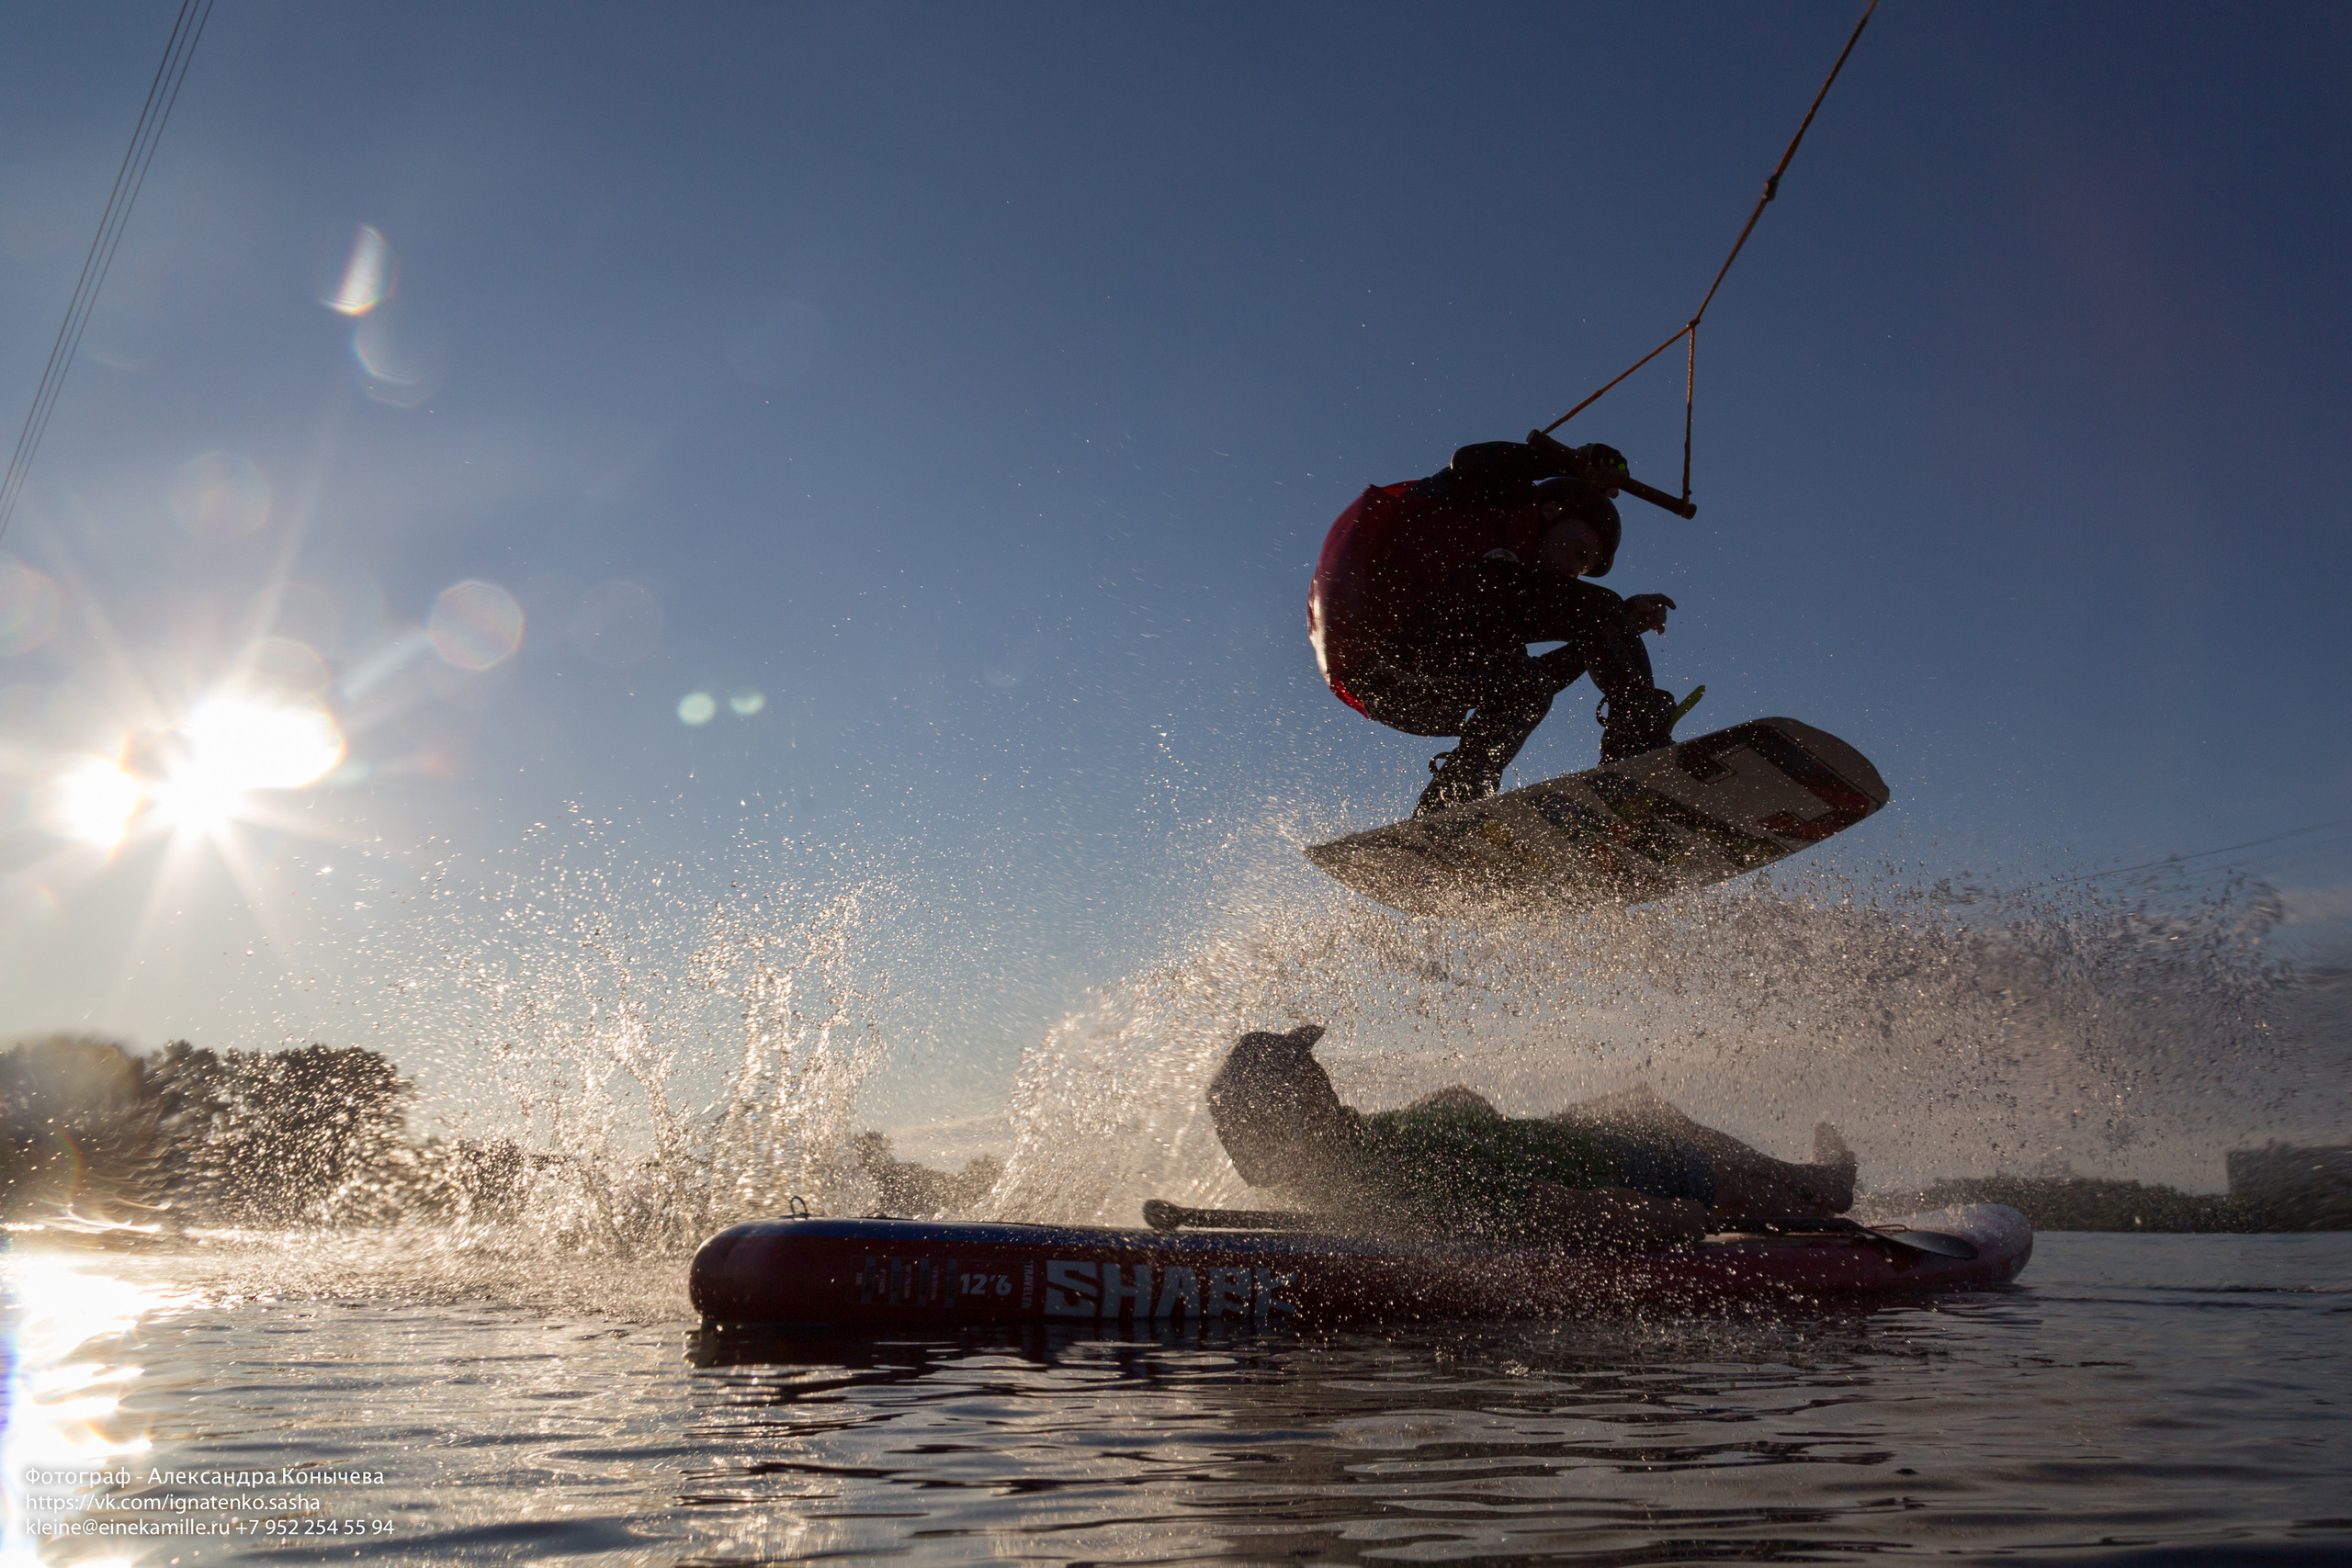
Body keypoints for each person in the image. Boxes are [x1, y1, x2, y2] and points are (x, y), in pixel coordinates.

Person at [1205, 1025, 1858, 1250]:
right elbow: (1547, 1206)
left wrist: (1452, 1105)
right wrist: (1677, 1220)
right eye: (1310, 1070)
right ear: (1301, 1100)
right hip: (1617, 1169)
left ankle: (1808, 1179)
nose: (1323, 1071)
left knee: (1633, 1103)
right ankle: (1818, 1189)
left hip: (1556, 1143)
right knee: (1656, 1127)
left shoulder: (1325, 1162)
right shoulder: (1383, 1173)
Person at [1307, 435, 1689, 818]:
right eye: (1578, 553)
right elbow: (1470, 459)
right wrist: (1573, 463)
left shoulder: (1501, 605)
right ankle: (1638, 741)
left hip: (1393, 690)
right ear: (1554, 511)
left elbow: (1540, 679)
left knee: (1528, 684)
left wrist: (1614, 632)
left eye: (1585, 568)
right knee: (1597, 606)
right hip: (1389, 625)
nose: (1575, 573)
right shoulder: (1500, 501)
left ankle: (1450, 805)